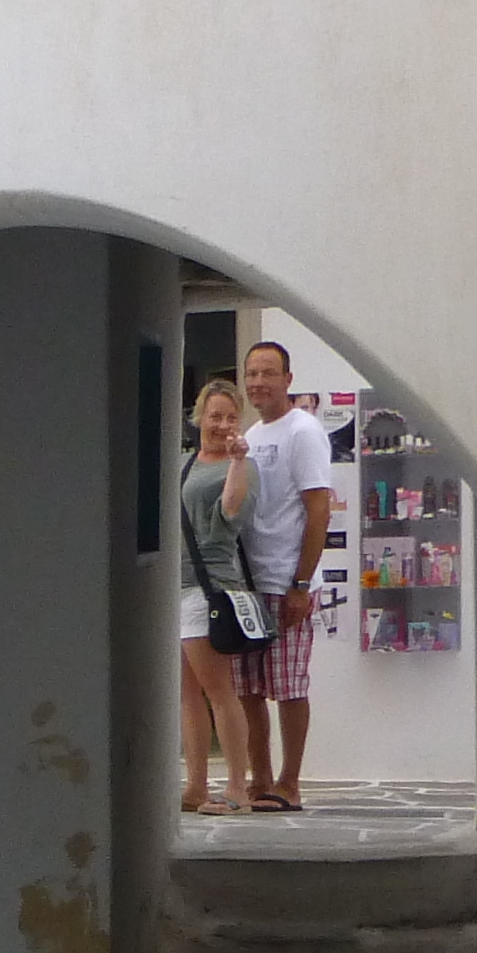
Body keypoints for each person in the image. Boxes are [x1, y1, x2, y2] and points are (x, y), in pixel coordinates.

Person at [234, 339, 338, 809]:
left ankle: (289, 782)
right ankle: (259, 778)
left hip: (285, 581)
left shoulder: (304, 430)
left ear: (288, 380)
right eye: (252, 373)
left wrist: (301, 583)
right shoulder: (253, 435)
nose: (258, 382)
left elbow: (318, 509)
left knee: (289, 686)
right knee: (248, 689)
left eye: (268, 373)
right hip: (248, 583)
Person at [174, 380, 266, 813]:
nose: (222, 424)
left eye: (231, 417)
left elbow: (231, 513)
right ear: (199, 418)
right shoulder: (183, 464)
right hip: (176, 586)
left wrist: (237, 461)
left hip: (209, 587)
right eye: (215, 416)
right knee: (186, 693)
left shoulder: (244, 467)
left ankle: (236, 788)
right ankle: (195, 786)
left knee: (218, 690)